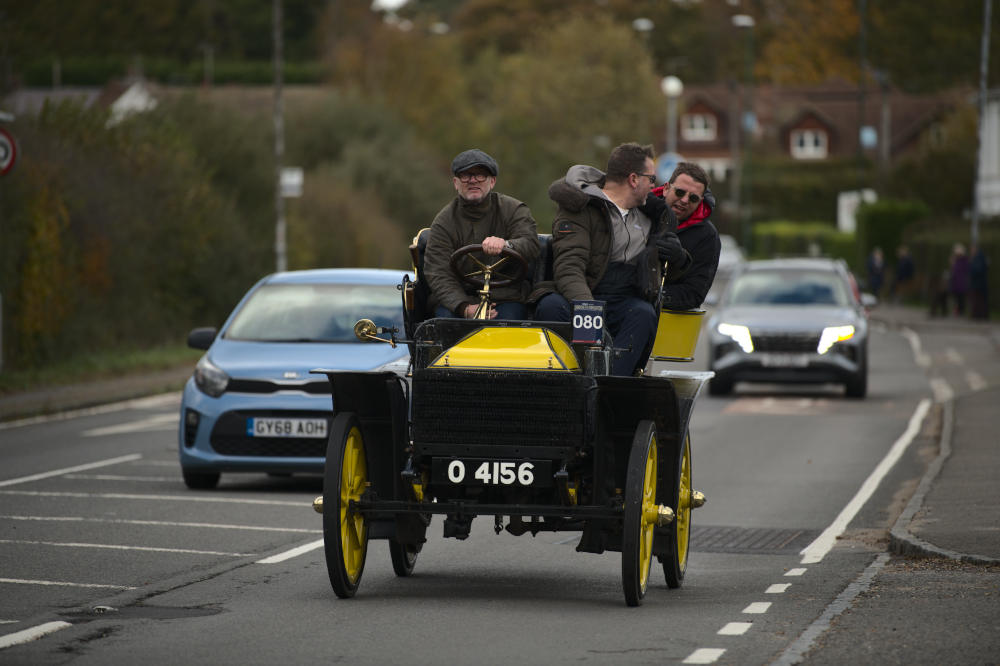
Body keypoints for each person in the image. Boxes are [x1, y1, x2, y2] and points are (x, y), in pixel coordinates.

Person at [533, 142, 687, 376]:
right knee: (550, 307)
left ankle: (610, 387)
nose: (654, 187)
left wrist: (678, 258)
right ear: (634, 179)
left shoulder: (652, 217)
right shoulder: (579, 209)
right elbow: (569, 268)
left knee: (644, 314)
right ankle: (562, 381)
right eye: (652, 180)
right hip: (581, 292)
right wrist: (590, 312)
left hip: (623, 298)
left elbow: (662, 276)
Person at [424, 149, 539, 320]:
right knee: (444, 323)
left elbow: (531, 245)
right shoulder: (443, 221)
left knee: (509, 324)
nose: (473, 181)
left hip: (506, 297)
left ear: (492, 182)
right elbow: (438, 272)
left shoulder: (514, 210)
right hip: (459, 298)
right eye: (466, 176)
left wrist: (506, 245)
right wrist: (463, 308)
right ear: (456, 183)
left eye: (480, 175)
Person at [640, 162, 721, 310]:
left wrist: (679, 262)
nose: (684, 200)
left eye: (693, 198)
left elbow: (694, 294)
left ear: (700, 202)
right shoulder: (637, 210)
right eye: (679, 192)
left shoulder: (707, 236)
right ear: (665, 189)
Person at [948, 243, 970, 317]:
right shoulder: (956, 260)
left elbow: (964, 270)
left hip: (961, 281)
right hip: (956, 281)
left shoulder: (964, 260)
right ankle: (957, 310)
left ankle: (961, 311)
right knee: (956, 297)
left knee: (961, 297)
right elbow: (953, 270)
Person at [969, 244, 989, 320]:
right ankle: (978, 315)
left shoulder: (978, 258)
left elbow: (978, 269)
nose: (971, 251)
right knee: (978, 300)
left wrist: (971, 265)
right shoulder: (979, 257)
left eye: (972, 249)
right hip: (979, 283)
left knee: (979, 300)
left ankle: (979, 316)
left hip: (979, 283)